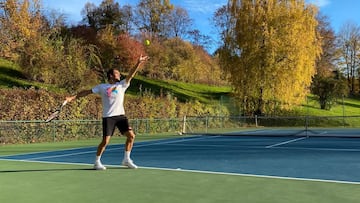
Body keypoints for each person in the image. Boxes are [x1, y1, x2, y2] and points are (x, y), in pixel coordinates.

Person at [66, 55, 149, 170]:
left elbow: (131, 75)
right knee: (105, 141)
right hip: (108, 117)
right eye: (117, 73)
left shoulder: (122, 85)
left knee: (131, 136)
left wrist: (138, 63)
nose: (119, 75)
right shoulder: (102, 87)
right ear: (111, 76)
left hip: (121, 116)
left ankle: (126, 159)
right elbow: (86, 92)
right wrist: (72, 97)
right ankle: (97, 162)